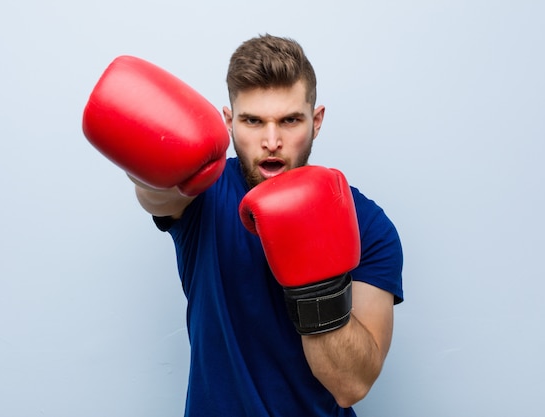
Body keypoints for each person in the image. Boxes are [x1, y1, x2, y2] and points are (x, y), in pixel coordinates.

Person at [82, 34, 403, 417]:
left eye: (289, 121)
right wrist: (154, 162)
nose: (271, 141)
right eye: (253, 121)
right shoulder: (207, 192)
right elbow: (158, 195)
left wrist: (315, 276)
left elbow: (351, 384)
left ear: (316, 122)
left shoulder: (370, 226)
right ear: (228, 122)